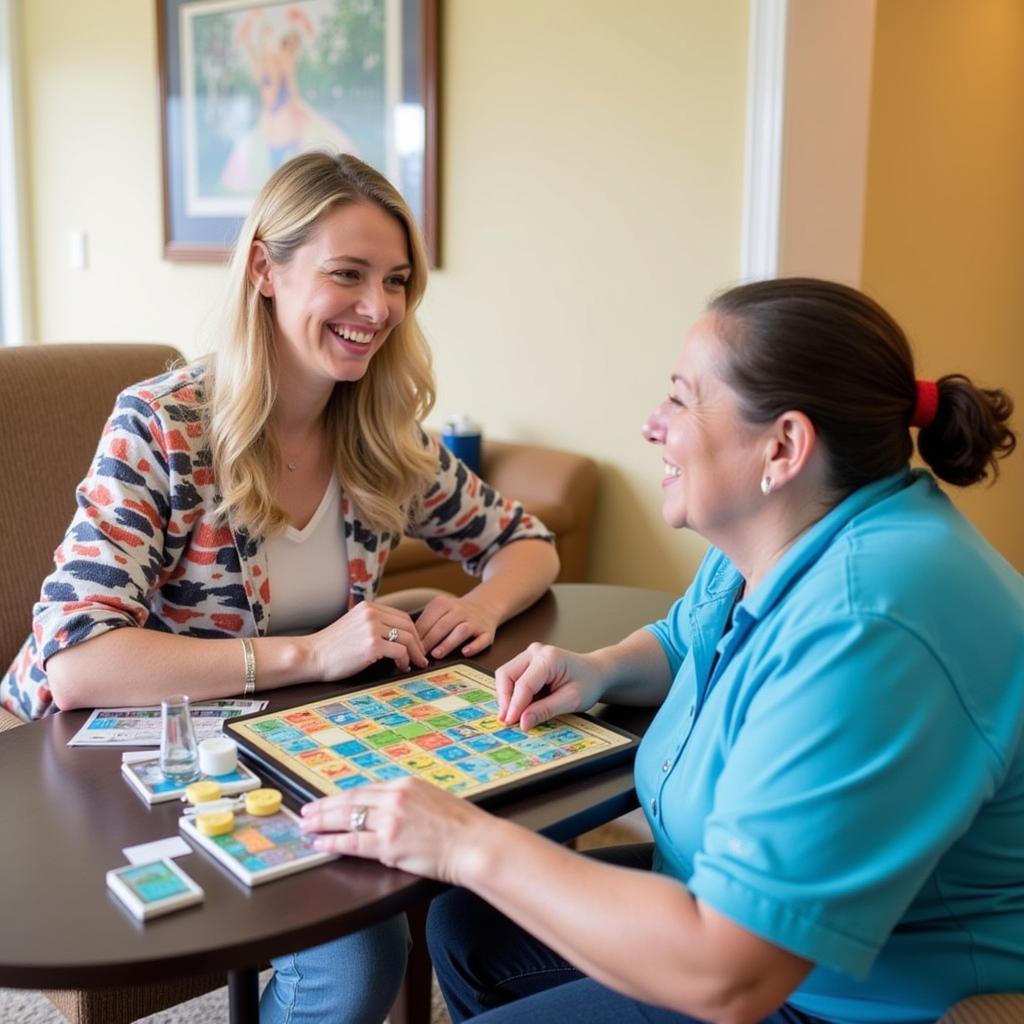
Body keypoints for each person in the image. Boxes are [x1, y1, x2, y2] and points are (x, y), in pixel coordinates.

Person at [297, 278, 1023, 1024]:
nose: (653, 425)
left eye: (680, 399)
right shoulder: (784, 529)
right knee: (470, 928)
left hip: (839, 995)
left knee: (479, 880)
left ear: (783, 446)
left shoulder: (871, 625)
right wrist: (600, 668)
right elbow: (689, 638)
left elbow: (733, 976)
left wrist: (462, 840)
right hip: (736, 921)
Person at [1, 151, 559, 1023]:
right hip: (126, 763)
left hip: (297, 746)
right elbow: (76, 661)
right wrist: (312, 652)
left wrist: (480, 603)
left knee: (492, 848)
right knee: (357, 952)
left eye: (398, 281)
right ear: (265, 267)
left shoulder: (380, 430)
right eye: (348, 274)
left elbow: (525, 543)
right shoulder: (162, 423)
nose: (379, 309)